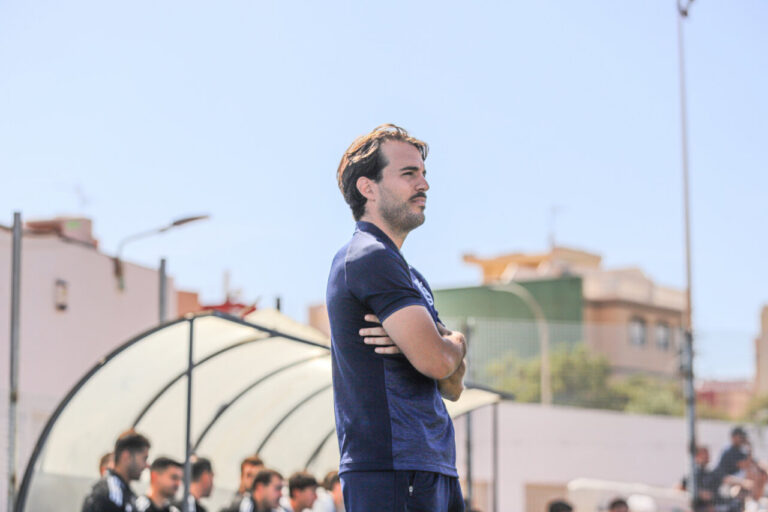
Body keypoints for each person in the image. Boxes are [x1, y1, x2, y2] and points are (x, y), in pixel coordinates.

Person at [327, 124, 467, 511]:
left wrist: (444, 346)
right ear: (367, 188)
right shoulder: (368, 256)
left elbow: (452, 386)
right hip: (393, 469)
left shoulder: (408, 273)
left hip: (430, 465)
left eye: (423, 174)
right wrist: (447, 344)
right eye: (409, 173)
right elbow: (438, 362)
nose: (423, 184)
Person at [82, 430, 151, 512]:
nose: (146, 465)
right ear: (126, 456)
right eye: (144, 458)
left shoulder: (125, 492)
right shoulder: (111, 493)